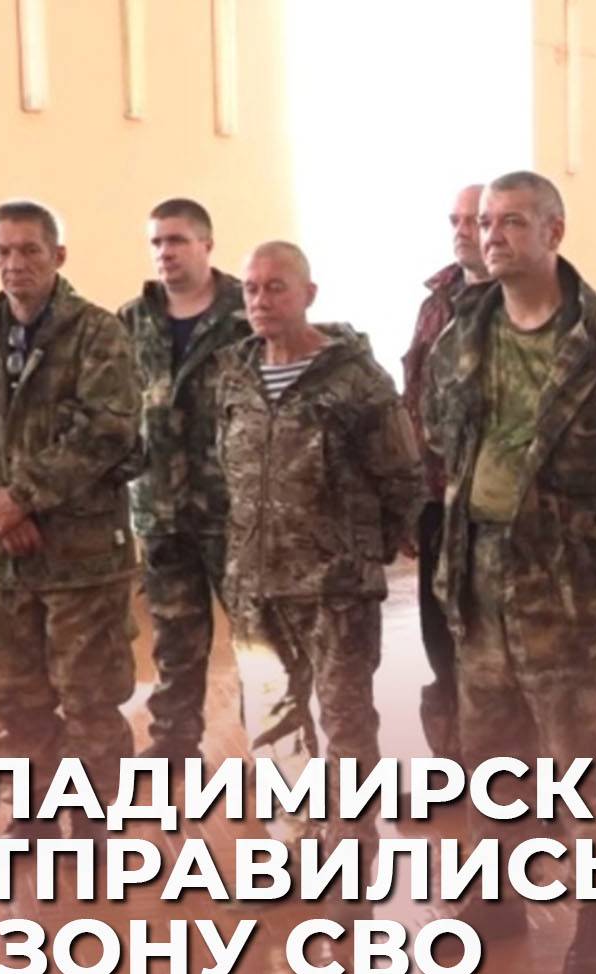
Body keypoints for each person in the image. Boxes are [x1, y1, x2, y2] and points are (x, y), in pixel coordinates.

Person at [425, 171, 596, 974]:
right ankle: (497, 895)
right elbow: (439, 427)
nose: (492, 235)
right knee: (490, 747)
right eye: (486, 223)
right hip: (478, 572)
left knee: (580, 758)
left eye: (511, 222)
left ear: (553, 231)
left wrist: (586, 529)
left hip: (564, 585)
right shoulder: (466, 328)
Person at [0, 201, 142, 836]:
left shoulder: (99, 334)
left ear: (58, 255)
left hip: (82, 554)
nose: (14, 263)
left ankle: (96, 820)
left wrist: (23, 496)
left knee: (90, 697)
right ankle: (36, 814)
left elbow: (108, 431)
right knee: (14, 698)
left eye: (29, 250)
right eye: (3, 251)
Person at [214, 241, 422, 872]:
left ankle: (354, 852)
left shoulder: (356, 379)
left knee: (346, 724)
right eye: (251, 288)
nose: (260, 300)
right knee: (271, 721)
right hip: (255, 585)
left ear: (308, 294)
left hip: (336, 588)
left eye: (276, 286)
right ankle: (297, 844)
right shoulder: (235, 373)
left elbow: (402, 477)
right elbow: (227, 467)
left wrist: (360, 552)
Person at [120, 197, 249, 765]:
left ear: (206, 244)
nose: (165, 252)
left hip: (235, 509)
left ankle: (272, 743)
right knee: (174, 637)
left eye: (176, 240)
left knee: (258, 637)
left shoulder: (247, 313)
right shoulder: (132, 321)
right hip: (161, 509)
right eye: (156, 242)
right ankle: (174, 742)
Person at [401, 182, 487, 762]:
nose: (462, 230)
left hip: (498, 510)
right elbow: (412, 399)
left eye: (472, 220)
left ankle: (515, 775)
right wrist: (410, 498)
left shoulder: (535, 301)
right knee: (440, 637)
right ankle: (455, 761)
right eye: (454, 220)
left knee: (498, 647)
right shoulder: (436, 302)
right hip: (438, 500)